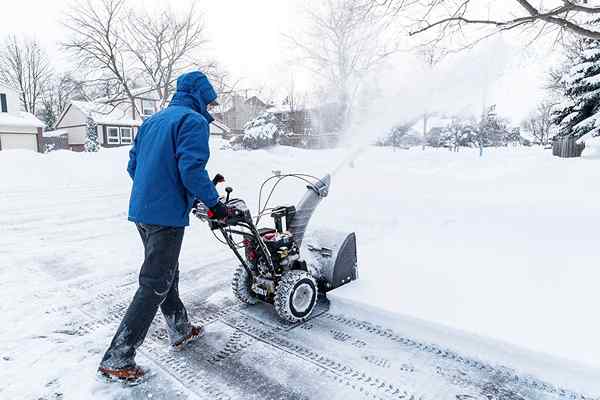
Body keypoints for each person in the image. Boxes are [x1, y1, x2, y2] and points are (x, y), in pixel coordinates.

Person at [97, 70, 228, 383]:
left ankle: (180, 329)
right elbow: (191, 170)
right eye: (208, 102)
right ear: (199, 97)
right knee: (155, 282)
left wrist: (154, 191)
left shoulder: (152, 121)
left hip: (142, 211)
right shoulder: (192, 122)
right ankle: (118, 358)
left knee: (166, 273)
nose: (209, 109)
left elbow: (133, 165)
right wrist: (215, 205)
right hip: (165, 217)